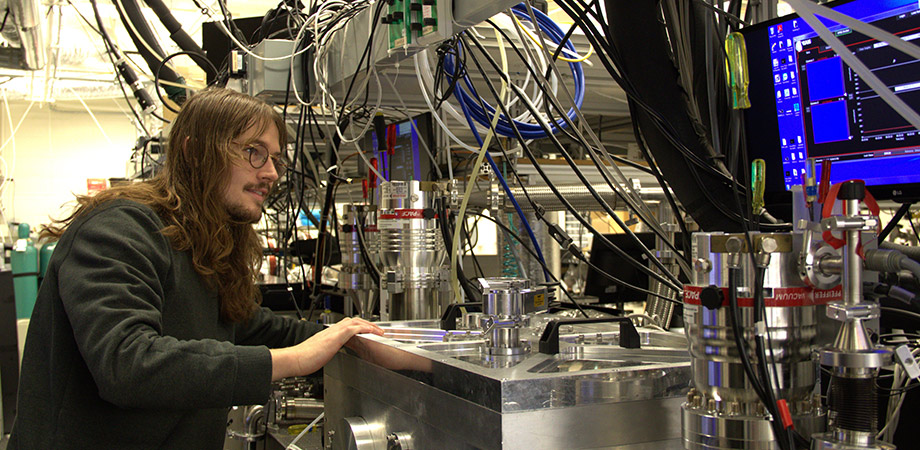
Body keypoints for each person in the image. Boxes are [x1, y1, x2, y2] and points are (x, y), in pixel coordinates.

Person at [7, 87, 383, 449]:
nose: (272, 172)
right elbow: (128, 364)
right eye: (254, 152)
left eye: (275, 158)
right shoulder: (119, 229)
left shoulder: (201, 244)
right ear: (195, 153)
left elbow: (255, 328)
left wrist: (360, 342)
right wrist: (292, 361)